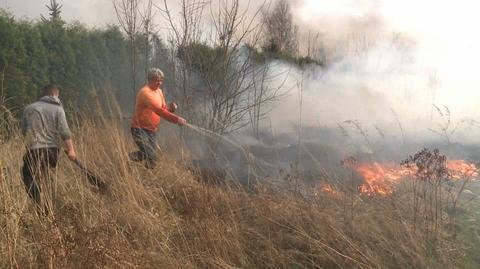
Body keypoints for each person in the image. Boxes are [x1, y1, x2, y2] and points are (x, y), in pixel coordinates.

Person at [21, 84, 76, 214]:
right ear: (54, 94)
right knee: (45, 175)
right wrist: (71, 150)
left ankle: (39, 203)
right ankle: (48, 206)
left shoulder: (29, 108)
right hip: (52, 152)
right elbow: (64, 132)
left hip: (34, 150)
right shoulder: (58, 109)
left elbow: (24, 131)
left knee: (27, 175)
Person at [130, 68, 186, 169]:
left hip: (152, 130)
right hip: (139, 128)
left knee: (153, 156)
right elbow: (158, 110)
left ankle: (143, 172)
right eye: (156, 80)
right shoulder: (145, 93)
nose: (159, 82)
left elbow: (163, 109)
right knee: (150, 155)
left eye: (161, 80)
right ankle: (127, 160)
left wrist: (171, 108)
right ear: (150, 79)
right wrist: (177, 119)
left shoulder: (159, 91)